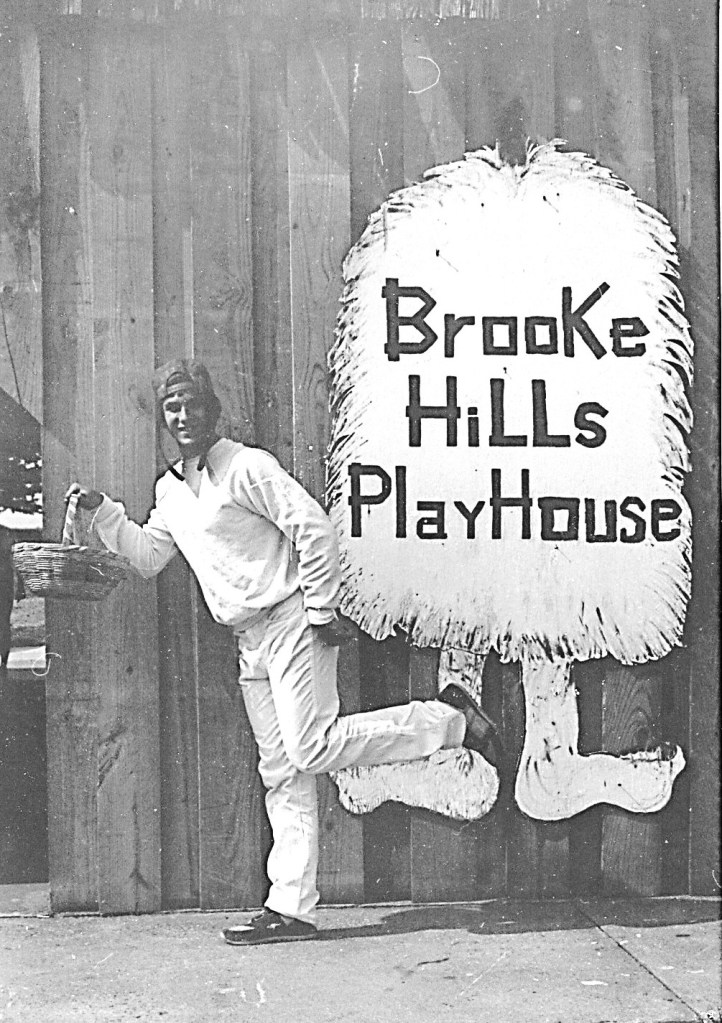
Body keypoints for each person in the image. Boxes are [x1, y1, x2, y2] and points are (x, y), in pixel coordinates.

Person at [66, 358, 501, 945]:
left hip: (292, 618)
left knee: (311, 746)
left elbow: (312, 526)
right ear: (164, 418)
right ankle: (291, 909)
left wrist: (320, 609)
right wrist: (103, 512)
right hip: (248, 640)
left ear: (212, 408)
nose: (184, 415)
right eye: (172, 406)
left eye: (193, 402)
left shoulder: (245, 466)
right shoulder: (170, 492)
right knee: (283, 773)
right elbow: (146, 557)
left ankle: (451, 721)